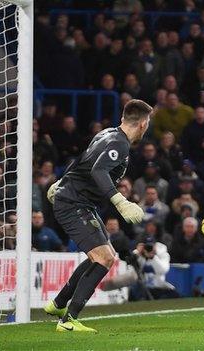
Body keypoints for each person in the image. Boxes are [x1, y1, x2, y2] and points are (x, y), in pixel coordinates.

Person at [44, 99, 153, 332]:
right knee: (104, 258)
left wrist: (61, 181)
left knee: (104, 255)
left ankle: (59, 304)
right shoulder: (120, 145)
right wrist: (121, 202)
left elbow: (83, 159)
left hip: (80, 201)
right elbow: (98, 170)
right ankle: (68, 321)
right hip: (74, 203)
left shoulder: (107, 133)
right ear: (143, 124)